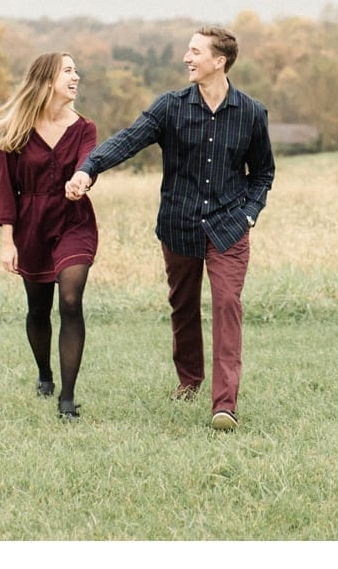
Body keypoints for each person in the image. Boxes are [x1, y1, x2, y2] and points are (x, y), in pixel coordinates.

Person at [65, 26, 274, 431]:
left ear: (220, 61)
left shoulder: (251, 112)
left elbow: (262, 172)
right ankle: (189, 380)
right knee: (183, 307)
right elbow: (127, 140)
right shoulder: (171, 107)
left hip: (230, 226)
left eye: (195, 51)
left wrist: (250, 213)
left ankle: (224, 405)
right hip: (179, 224)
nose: (186, 58)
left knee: (227, 305)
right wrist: (88, 169)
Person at [0, 52, 98, 421]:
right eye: (68, 71)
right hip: (30, 225)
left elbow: (89, 161)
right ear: (48, 79)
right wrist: (8, 241)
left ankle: (67, 399)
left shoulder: (85, 128)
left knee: (70, 299)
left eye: (75, 71)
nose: (76, 77)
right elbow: (5, 190)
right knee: (38, 308)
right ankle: (45, 375)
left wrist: (81, 179)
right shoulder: (18, 129)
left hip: (73, 221)